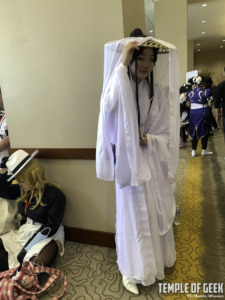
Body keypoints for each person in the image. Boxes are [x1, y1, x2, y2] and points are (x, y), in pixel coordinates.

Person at [96, 29, 180, 294]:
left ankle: (154, 264)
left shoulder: (154, 90)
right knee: (133, 217)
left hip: (150, 162)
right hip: (129, 165)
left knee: (153, 214)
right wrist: (122, 62)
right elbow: (108, 108)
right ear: (129, 57)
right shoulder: (117, 82)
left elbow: (165, 132)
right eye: (139, 57)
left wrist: (150, 140)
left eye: (151, 59)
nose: (146, 64)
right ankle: (131, 270)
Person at [0, 149, 66, 272]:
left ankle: (19, 272)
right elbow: (3, 190)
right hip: (26, 231)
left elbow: (50, 227)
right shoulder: (24, 190)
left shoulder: (55, 195)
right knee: (14, 259)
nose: (19, 184)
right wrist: (3, 170)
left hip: (49, 235)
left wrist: (25, 250)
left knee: (32, 267)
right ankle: (16, 271)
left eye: (21, 181)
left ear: (32, 176)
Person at [186, 75, 213, 157]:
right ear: (203, 83)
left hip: (193, 113)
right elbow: (210, 104)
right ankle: (203, 151)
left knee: (193, 130)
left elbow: (187, 104)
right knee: (205, 130)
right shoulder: (206, 91)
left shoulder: (189, 92)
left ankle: (193, 151)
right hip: (203, 112)